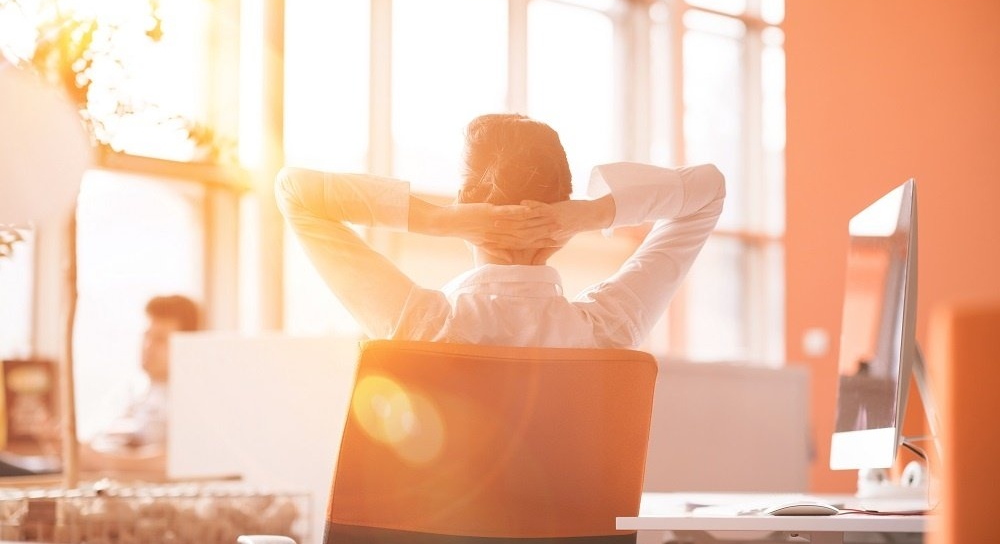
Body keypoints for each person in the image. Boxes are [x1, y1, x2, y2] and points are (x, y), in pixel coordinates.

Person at [276, 113, 724, 349]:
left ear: (466, 207)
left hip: (441, 528)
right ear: (564, 220)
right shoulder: (608, 328)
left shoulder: (419, 325)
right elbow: (708, 191)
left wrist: (437, 220)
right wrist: (590, 215)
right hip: (574, 527)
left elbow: (295, 191)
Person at [77, 294, 200, 478]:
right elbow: (101, 443)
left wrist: (101, 461)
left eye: (160, 340)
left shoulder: (195, 400)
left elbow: (184, 460)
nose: (147, 347)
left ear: (187, 346)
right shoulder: (132, 392)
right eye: (146, 336)